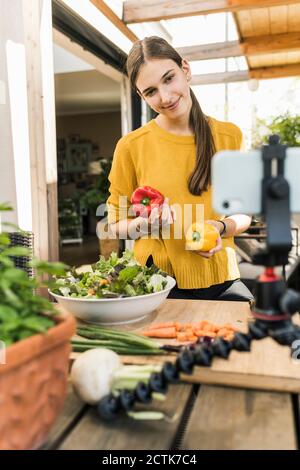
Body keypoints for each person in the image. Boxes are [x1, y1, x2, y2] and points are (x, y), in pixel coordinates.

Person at [106, 36, 253, 302]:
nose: (165, 96)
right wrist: (143, 224)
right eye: (150, 91)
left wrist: (219, 227)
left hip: (220, 278)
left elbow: (244, 214)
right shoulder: (130, 146)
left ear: (185, 69)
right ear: (141, 96)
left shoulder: (229, 137)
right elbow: (115, 224)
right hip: (156, 283)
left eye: (169, 78)